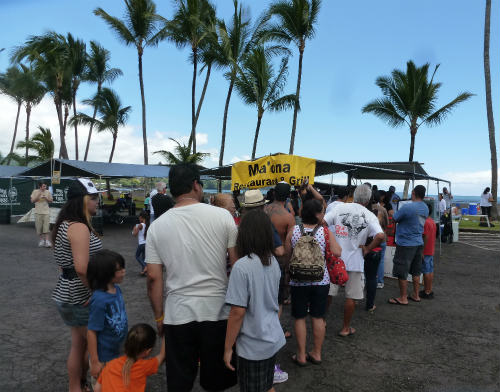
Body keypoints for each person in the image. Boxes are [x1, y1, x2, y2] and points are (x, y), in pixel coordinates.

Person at [146, 164, 238, 391]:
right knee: (216, 382)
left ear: (171, 190)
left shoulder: (157, 227)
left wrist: (159, 318)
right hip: (217, 311)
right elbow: (237, 267)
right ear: (196, 185)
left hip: (178, 314)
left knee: (180, 383)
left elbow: (153, 278)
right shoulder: (224, 218)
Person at [224, 209, 286, 392]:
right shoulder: (272, 261)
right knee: (267, 386)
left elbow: (237, 312)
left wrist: (228, 348)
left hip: (253, 345)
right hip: (271, 337)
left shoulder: (242, 267)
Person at [51, 178, 102, 392]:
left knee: (78, 345)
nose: (97, 202)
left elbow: (65, 265)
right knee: (96, 347)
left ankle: (76, 387)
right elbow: (81, 268)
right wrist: (96, 292)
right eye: (93, 198)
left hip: (67, 293)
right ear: (82, 201)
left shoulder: (64, 224)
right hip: (80, 296)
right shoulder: (79, 227)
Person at [285, 199, 342, 365]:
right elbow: (338, 252)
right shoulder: (324, 232)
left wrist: (289, 273)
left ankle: (301, 355)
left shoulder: (294, 230)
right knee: (317, 317)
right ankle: (316, 353)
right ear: (318, 214)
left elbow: (288, 255)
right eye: (322, 211)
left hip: (298, 281)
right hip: (320, 280)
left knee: (299, 317)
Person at [324, 185, 384, 336]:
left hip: (335, 258)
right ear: (369, 199)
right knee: (351, 296)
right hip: (355, 260)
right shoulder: (369, 215)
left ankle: (322, 321)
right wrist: (368, 248)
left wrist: (331, 242)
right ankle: (345, 328)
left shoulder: (339, 208)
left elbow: (323, 223)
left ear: (354, 195)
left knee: (329, 293)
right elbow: (381, 236)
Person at [87, 250, 128, 378]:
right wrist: (95, 362)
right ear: (106, 274)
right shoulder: (100, 300)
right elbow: (91, 331)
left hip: (117, 351)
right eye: (119, 269)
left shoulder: (117, 289)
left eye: (123, 267)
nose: (124, 271)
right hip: (104, 357)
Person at [94, 323, 165, 392]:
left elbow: (97, 389)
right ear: (148, 351)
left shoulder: (110, 365)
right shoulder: (144, 366)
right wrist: (167, 330)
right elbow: (162, 356)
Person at [388, 185, 429, 305]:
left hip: (406, 243)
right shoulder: (425, 207)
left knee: (402, 270)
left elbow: (394, 218)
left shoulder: (408, 207)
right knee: (416, 271)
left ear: (413, 193)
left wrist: (391, 213)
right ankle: (416, 295)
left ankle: (403, 297)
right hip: (418, 242)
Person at [371, 192, 389, 293]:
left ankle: (365, 279)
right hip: (381, 237)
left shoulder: (367, 209)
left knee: (366, 259)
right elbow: (387, 224)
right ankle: (380, 281)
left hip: (369, 239)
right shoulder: (383, 209)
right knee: (381, 260)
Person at [421, 203, 437, 299]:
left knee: (426, 271)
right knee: (430, 270)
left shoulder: (425, 222)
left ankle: (427, 291)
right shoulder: (432, 221)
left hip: (426, 250)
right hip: (430, 249)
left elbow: (425, 236)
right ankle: (429, 289)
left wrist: (422, 251)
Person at [30, 181, 53, 247]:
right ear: (40, 186)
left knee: (46, 227)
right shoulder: (35, 191)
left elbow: (51, 200)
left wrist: (46, 198)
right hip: (38, 212)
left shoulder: (48, 192)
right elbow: (32, 201)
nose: (45, 187)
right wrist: (38, 195)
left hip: (46, 212)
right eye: (43, 186)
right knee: (39, 228)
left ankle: (47, 241)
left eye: (45, 186)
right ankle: (42, 240)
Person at [132, 211, 149, 275]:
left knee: (137, 256)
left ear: (141, 217)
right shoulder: (147, 224)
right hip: (146, 243)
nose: (139, 219)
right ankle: (143, 271)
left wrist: (134, 229)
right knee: (143, 258)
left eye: (139, 217)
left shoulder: (140, 225)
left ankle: (145, 267)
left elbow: (134, 234)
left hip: (141, 243)